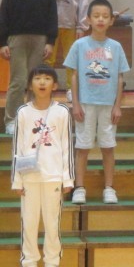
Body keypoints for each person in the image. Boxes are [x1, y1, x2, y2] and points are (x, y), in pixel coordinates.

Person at [63, 0, 130, 204]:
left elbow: (120, 77)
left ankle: (109, 188)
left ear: (111, 20)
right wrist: (75, 103)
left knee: (108, 147)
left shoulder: (116, 46)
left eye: (105, 16)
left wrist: (118, 106)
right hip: (85, 104)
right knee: (83, 147)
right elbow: (74, 76)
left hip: (108, 105)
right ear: (88, 19)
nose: (101, 19)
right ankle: (79, 187)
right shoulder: (79, 45)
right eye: (96, 16)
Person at [11, 64, 74, 267]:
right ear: (30, 85)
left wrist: (67, 178)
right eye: (37, 79)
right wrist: (17, 180)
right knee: (29, 224)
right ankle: (29, 261)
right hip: (29, 177)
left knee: (52, 224)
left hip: (53, 177)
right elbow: (17, 147)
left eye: (47, 79)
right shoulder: (23, 112)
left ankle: (52, 262)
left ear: (54, 85)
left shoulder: (62, 111)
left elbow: (67, 146)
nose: (42, 82)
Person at [0, 0, 58, 136]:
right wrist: (3, 43)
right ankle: (11, 120)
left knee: (36, 81)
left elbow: (52, 16)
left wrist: (50, 41)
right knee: (17, 81)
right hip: (16, 40)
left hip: (40, 39)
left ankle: (35, 118)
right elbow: (3, 17)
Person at [42, 0, 89, 102]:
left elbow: (83, 2)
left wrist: (82, 26)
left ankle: (71, 89)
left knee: (71, 59)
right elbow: (41, 3)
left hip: (71, 26)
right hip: (50, 28)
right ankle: (46, 88)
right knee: (48, 59)